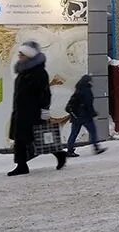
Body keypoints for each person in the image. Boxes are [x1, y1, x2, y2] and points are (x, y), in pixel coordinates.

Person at [9, 40, 66, 176]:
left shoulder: (39, 73)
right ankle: (22, 165)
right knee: (21, 139)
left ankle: (59, 154)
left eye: (22, 53)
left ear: (30, 55)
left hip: (33, 112)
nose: (19, 56)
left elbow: (45, 93)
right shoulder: (22, 72)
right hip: (21, 112)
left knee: (38, 137)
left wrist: (45, 111)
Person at [64, 74, 104, 157]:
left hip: (76, 116)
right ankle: (96, 148)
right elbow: (88, 104)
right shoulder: (86, 90)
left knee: (74, 133)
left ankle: (70, 150)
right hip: (85, 116)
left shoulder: (78, 89)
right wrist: (93, 113)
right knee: (93, 131)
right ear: (87, 81)